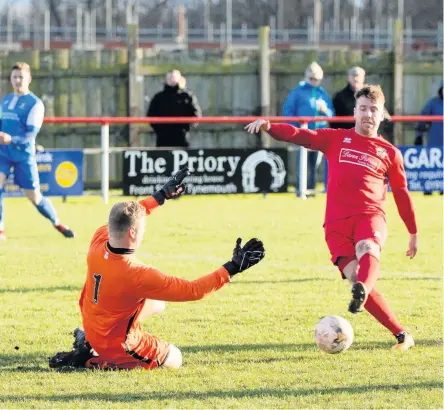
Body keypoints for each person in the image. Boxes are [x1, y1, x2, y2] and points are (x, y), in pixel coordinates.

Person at [246, 84, 418, 350]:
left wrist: (413, 231)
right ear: (354, 112)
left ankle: (362, 289)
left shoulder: (390, 153)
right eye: (363, 109)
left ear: (382, 114)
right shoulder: (336, 139)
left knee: (367, 249)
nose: (368, 115)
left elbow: (402, 193)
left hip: (370, 216)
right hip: (336, 225)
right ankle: (401, 334)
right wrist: (269, 126)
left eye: (373, 110)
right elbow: (300, 135)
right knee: (355, 276)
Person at [49, 166, 265, 370]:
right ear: (132, 232)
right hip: (117, 343)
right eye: (142, 228)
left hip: (92, 321)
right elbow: (193, 290)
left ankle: (89, 339)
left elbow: (133, 213)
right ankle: (92, 360)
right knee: (176, 358)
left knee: (158, 303)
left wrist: (161, 196)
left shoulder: (100, 238)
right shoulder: (138, 274)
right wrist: (233, 267)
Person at [0, 62, 74, 240]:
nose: (17, 80)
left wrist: (12, 139)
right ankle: (0, 228)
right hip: (3, 153)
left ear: (29, 79)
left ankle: (57, 222)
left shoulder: (35, 104)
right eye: (14, 77)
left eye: (21, 77)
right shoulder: (6, 100)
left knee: (34, 197)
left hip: (23, 156)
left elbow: (31, 133)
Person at [282, 62, 334, 193]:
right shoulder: (297, 92)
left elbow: (331, 114)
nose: (313, 81)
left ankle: (311, 188)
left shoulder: (322, 93)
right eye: (311, 78)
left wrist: (325, 111)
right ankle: (301, 189)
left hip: (319, 133)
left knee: (315, 163)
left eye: (316, 79)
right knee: (302, 161)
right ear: (306, 77)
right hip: (303, 132)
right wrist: (296, 129)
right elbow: (287, 112)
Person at [147, 70, 202, 148]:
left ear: (179, 79)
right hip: (163, 139)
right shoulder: (158, 97)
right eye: (169, 77)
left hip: (182, 139)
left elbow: (196, 115)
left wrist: (185, 129)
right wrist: (160, 130)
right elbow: (151, 116)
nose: (172, 80)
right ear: (166, 80)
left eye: (174, 77)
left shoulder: (187, 96)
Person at [414, 81, 443, 195]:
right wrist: (419, 136)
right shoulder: (433, 103)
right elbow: (423, 120)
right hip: (435, 141)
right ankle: (428, 187)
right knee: (432, 165)